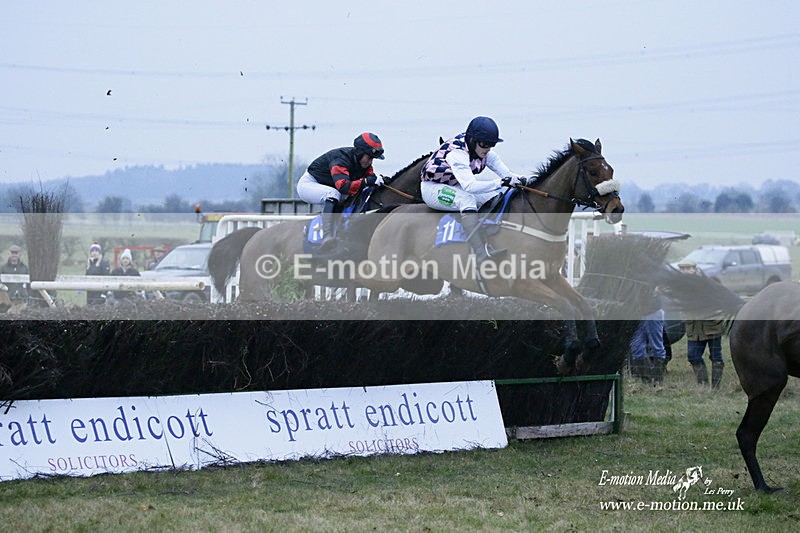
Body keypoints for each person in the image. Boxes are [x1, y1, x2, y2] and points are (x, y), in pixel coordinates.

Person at [420, 116, 525, 265]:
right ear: (472, 140)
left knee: (496, 196)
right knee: (467, 200)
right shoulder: (457, 154)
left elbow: (508, 175)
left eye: (491, 144)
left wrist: (524, 180)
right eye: (484, 144)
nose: (487, 148)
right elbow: (470, 186)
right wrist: (501, 182)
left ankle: (490, 240)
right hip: (432, 187)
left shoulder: (486, 153)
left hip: (455, 185)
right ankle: (480, 253)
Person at [296, 132, 386, 252]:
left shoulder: (364, 165)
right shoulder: (341, 160)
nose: (370, 162)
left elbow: (370, 180)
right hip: (309, 184)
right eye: (369, 157)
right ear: (360, 153)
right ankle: (327, 235)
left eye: (372, 159)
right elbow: (344, 187)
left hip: (330, 185)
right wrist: (366, 181)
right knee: (333, 194)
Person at [678, 259, 725, 389]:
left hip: (711, 326)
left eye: (688, 268)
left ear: (695, 269)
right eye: (682, 269)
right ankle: (703, 384)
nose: (685, 271)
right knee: (693, 356)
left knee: (716, 357)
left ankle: (715, 387)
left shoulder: (707, 283)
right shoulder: (681, 286)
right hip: (694, 327)